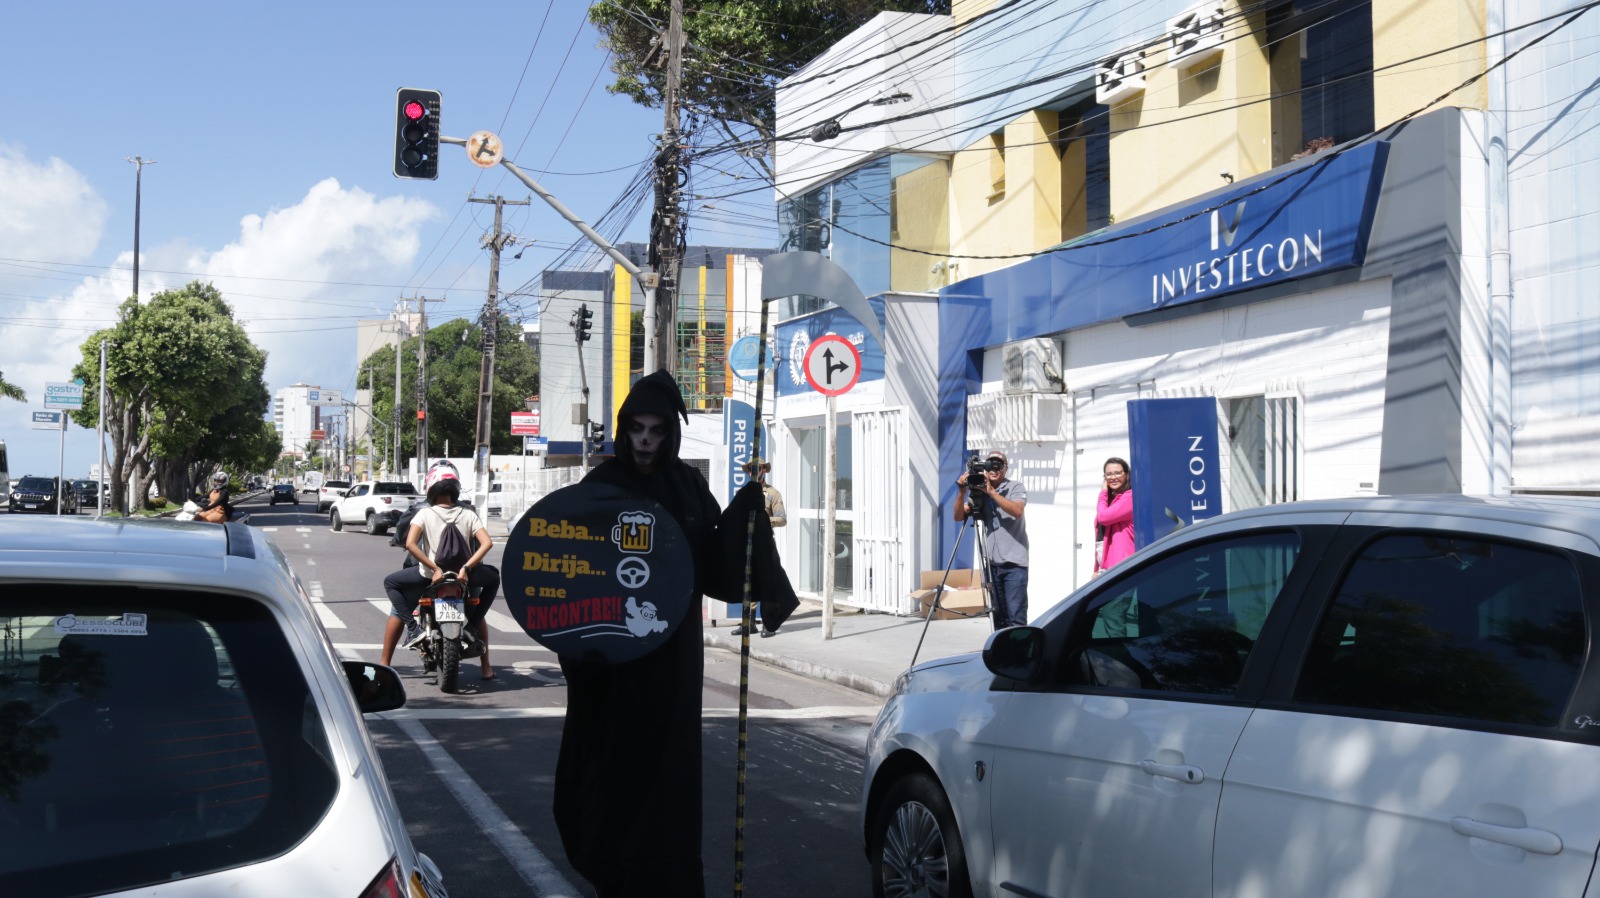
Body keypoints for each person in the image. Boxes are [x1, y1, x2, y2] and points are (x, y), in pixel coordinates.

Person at [554, 369, 729, 898]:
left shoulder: (689, 487)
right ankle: (615, 871)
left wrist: (746, 521)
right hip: (610, 658)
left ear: (671, 434)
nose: (646, 441)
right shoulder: (600, 488)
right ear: (623, 431)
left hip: (673, 656)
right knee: (613, 761)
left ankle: (671, 881)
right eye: (637, 430)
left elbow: (716, 565)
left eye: (657, 430)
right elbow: (565, 570)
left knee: (670, 768)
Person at [378, 465, 500, 681]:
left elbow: (405, 541)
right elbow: (485, 543)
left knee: (398, 610)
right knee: (475, 603)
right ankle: (486, 666)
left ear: (430, 486)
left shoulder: (420, 511)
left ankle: (385, 663)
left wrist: (435, 568)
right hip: (465, 575)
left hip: (427, 575)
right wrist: (466, 568)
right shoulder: (468, 512)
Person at [953, 450, 1030, 628]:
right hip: (993, 565)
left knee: (1016, 617)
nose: (994, 470)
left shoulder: (1015, 487)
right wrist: (961, 492)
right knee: (999, 617)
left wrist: (992, 492)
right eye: (990, 465)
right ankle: (1002, 654)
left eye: (998, 466)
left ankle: (1021, 655)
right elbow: (958, 516)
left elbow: (1017, 511)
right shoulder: (979, 491)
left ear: (1005, 468)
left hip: (1015, 565)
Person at [731, 459, 786, 638]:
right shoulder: (743, 493)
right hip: (747, 543)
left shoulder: (772, 494)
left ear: (764, 471)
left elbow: (782, 519)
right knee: (749, 582)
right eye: (752, 468)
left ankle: (769, 625)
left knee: (768, 583)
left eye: (759, 468)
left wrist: (763, 521)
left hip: (765, 543)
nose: (755, 471)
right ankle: (749, 623)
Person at [1094, 457, 1135, 574]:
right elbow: (1101, 537)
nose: (1113, 477)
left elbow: (1103, 518)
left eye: (1118, 473)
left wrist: (1103, 492)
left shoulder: (1130, 497)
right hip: (1106, 567)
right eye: (1109, 474)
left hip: (1122, 565)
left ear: (1126, 475)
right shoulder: (1112, 499)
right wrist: (1097, 568)